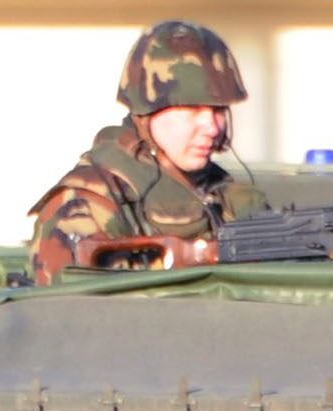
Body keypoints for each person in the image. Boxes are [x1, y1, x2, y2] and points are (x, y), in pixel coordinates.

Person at [28, 20, 253, 282]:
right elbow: (70, 311)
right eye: (192, 109)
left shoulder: (225, 194)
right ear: (147, 112)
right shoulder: (89, 202)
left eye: (218, 110)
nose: (212, 127)